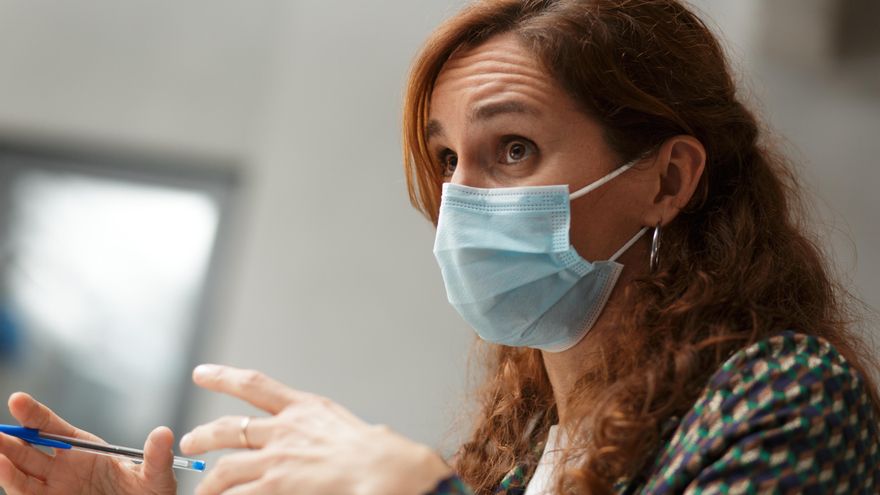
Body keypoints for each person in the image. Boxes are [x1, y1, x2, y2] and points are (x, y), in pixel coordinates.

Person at [1, 0, 879, 493]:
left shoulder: (789, 395)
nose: (459, 199)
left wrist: (415, 489)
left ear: (666, 180)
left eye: (514, 150)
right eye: (447, 158)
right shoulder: (525, 455)